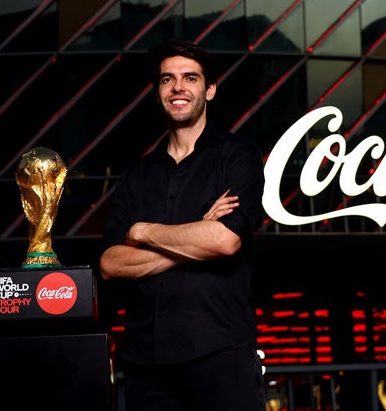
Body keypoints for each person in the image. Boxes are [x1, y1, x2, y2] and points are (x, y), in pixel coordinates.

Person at [100, 40, 266, 410]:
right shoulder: (136, 174)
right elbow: (111, 264)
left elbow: (224, 241)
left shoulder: (239, 156)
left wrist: (143, 233)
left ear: (209, 90)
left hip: (221, 356)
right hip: (147, 364)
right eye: (167, 79)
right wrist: (196, 236)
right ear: (158, 91)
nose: (178, 87)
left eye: (190, 78)